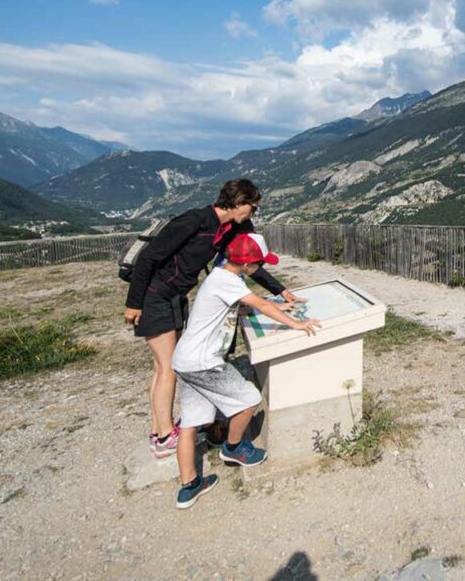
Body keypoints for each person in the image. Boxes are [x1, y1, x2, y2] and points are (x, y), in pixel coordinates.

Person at [123, 179, 306, 458]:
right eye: (252, 208)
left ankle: (163, 428)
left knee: (165, 367)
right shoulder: (194, 221)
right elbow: (150, 257)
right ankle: (162, 436)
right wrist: (135, 303)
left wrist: (280, 290)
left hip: (176, 296)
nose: (253, 215)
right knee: (167, 367)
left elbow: (251, 262)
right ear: (237, 202)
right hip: (155, 296)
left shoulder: (234, 228)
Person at [172, 232, 320, 509]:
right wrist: (295, 324)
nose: (260, 268)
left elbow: (233, 309)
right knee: (249, 401)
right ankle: (233, 448)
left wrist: (277, 306)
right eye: (259, 264)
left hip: (184, 360)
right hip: (205, 363)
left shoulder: (220, 276)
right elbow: (259, 303)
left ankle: (189, 486)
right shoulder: (228, 280)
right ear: (248, 263)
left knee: (190, 423)